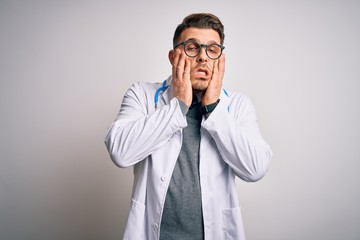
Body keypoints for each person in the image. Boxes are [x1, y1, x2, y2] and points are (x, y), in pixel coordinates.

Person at [105, 13, 272, 240]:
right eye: (192, 47)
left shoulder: (237, 105)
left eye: (212, 50)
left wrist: (214, 109)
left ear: (220, 60)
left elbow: (255, 168)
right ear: (174, 57)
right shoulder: (142, 95)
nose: (203, 57)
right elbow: (121, 153)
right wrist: (178, 107)